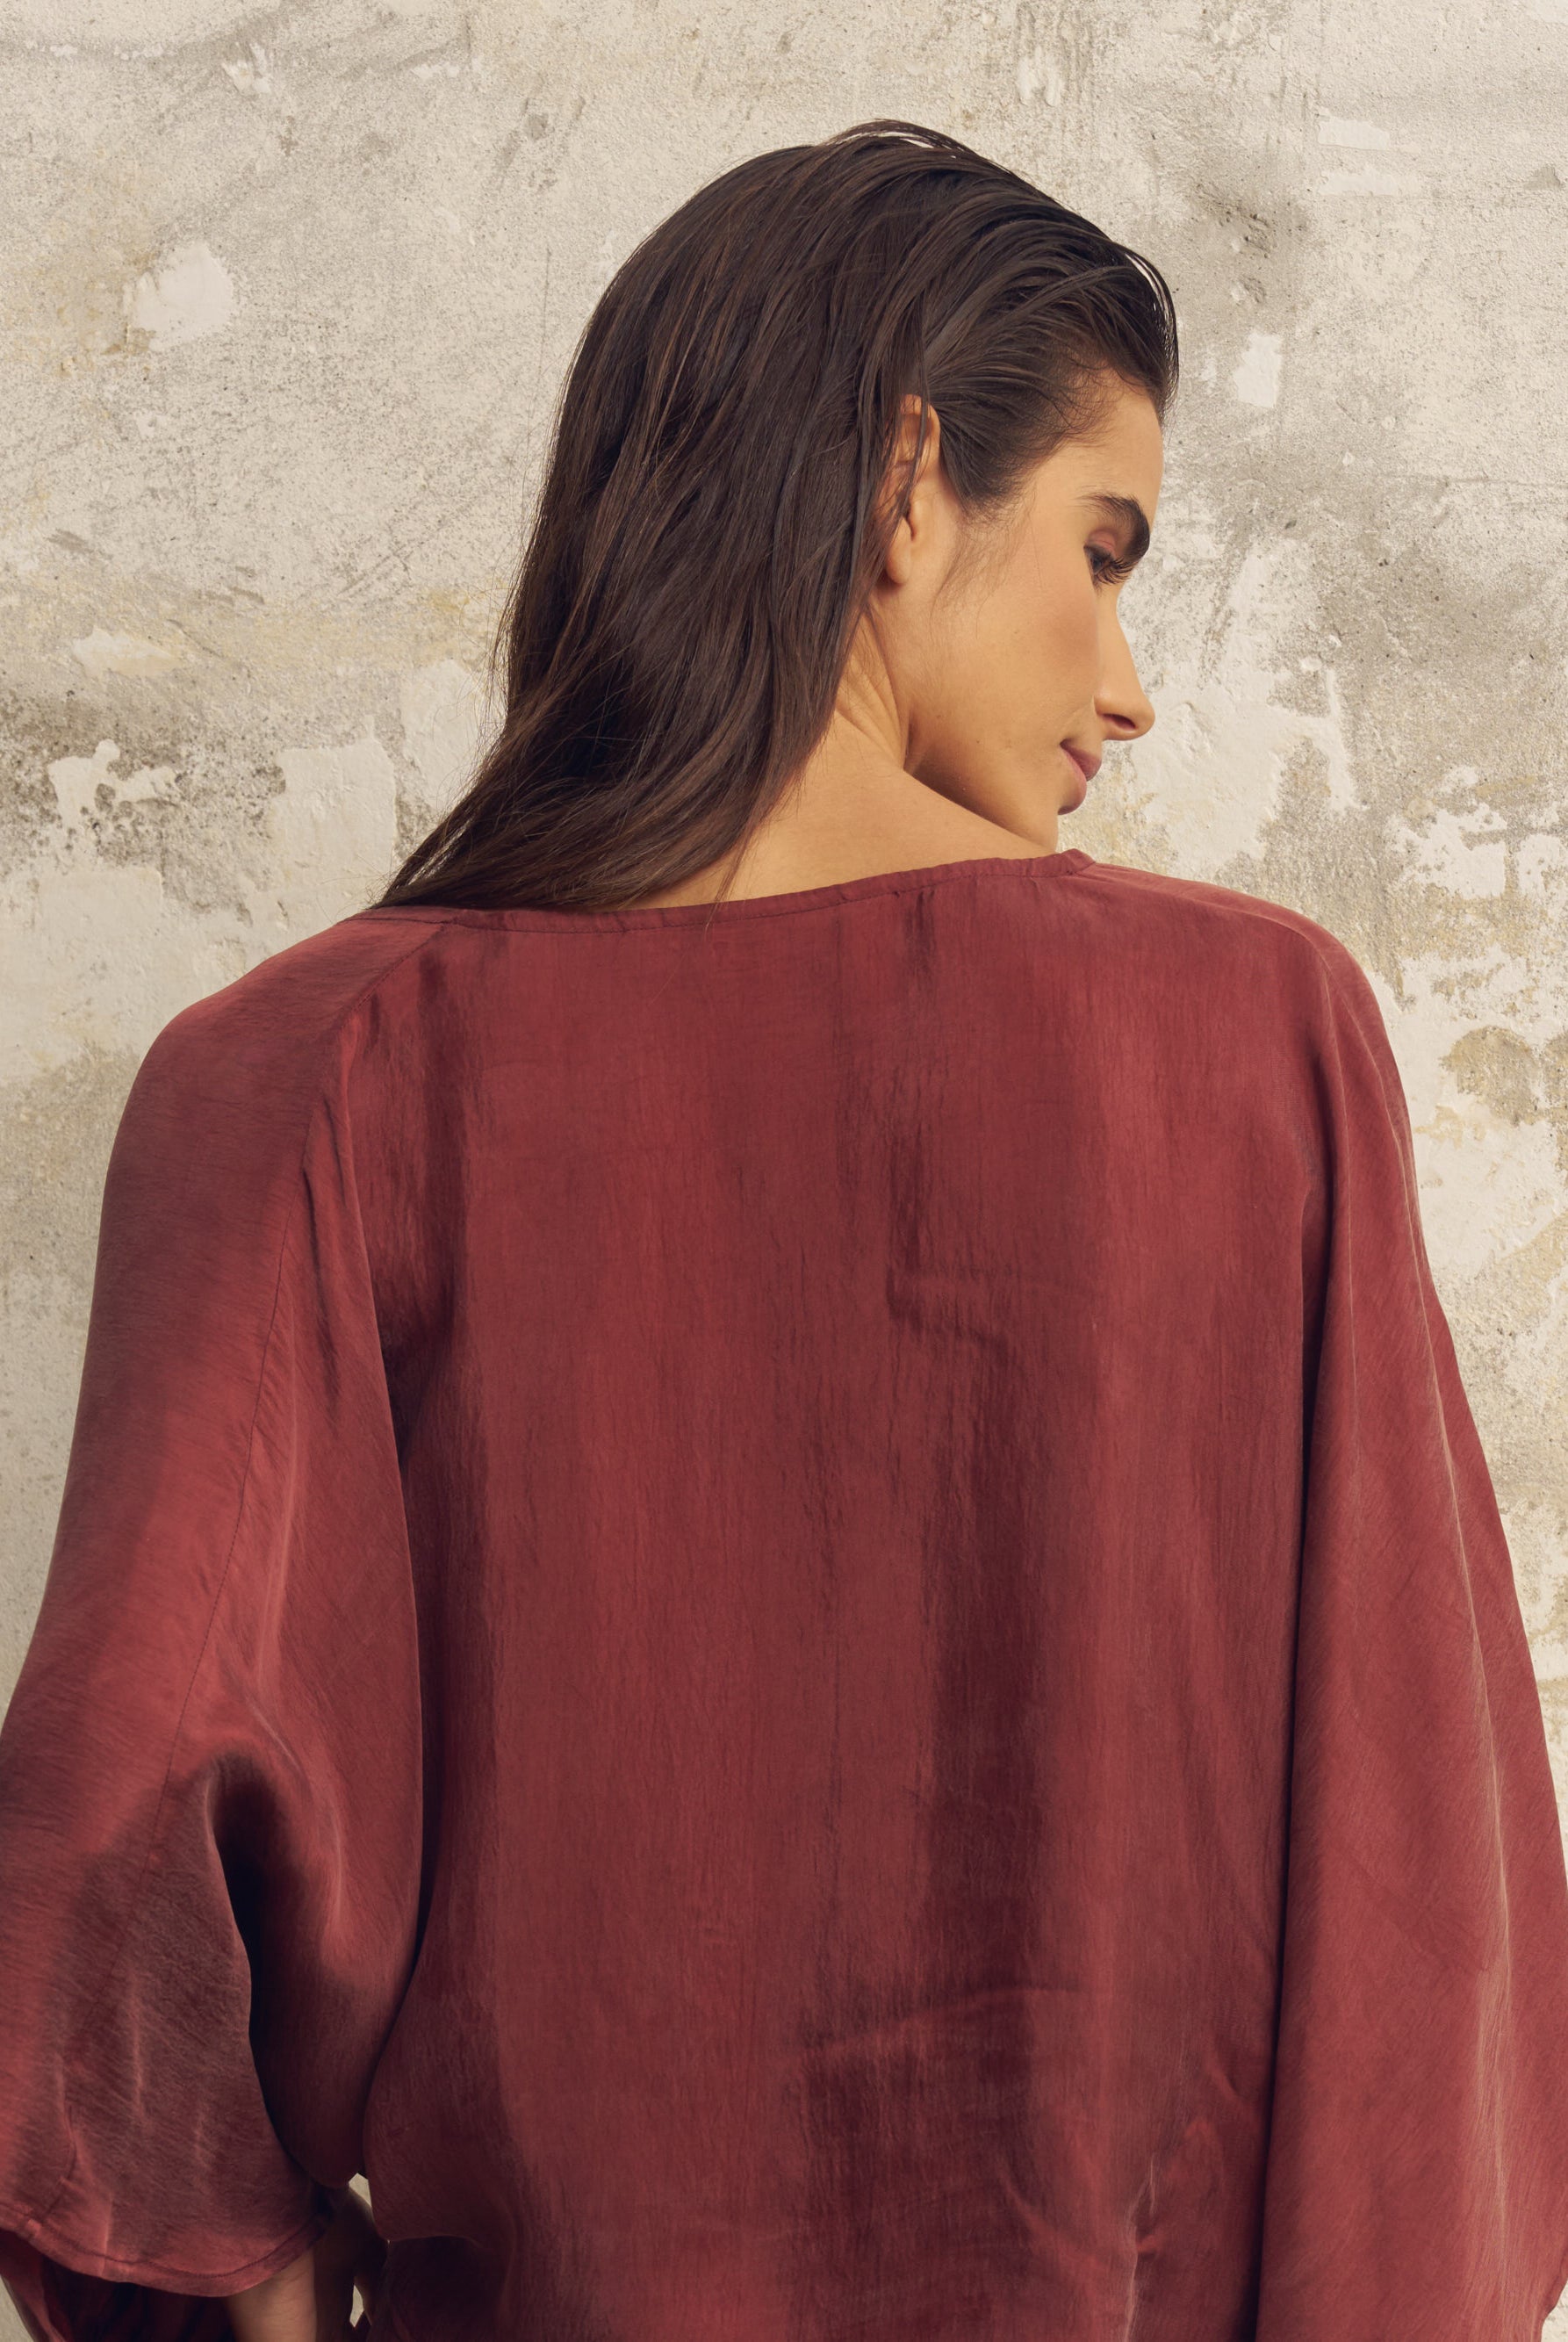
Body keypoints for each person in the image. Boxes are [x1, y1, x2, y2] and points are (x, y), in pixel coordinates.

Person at [2, 116, 1566, 2342]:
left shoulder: (307, 1072)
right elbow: (1422, 1914)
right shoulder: (1251, 1047)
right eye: (1101, 549)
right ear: (906, 480)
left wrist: (240, 2261)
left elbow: (114, 1847)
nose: (1128, 683)